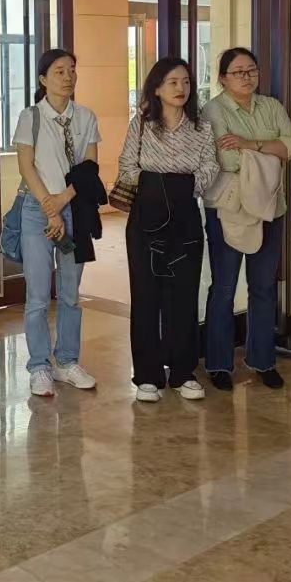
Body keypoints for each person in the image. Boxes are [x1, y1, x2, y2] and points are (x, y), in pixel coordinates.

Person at [201, 47, 291, 391]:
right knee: (224, 287)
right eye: (238, 72)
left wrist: (251, 144)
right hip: (229, 206)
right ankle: (219, 364)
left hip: (270, 206)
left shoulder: (271, 106)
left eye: (252, 70)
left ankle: (262, 360)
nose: (246, 77)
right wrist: (271, 150)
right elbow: (227, 159)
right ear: (223, 78)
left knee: (263, 286)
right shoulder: (213, 111)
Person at [120, 57, 219, 403]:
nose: (181, 88)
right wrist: (163, 184)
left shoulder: (201, 127)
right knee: (146, 296)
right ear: (157, 88)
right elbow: (127, 167)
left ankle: (182, 372)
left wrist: (177, 186)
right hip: (146, 218)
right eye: (173, 82)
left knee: (184, 295)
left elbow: (210, 168)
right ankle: (147, 376)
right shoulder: (141, 124)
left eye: (186, 82)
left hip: (185, 217)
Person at [13, 49, 101, 397]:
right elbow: (26, 166)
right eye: (60, 71)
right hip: (37, 210)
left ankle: (67, 361)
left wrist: (63, 200)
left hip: (73, 209)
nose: (68, 77)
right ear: (43, 79)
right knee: (37, 295)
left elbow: (90, 168)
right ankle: (39, 367)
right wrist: (50, 209)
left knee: (70, 293)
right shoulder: (31, 116)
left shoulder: (86, 116)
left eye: (72, 70)